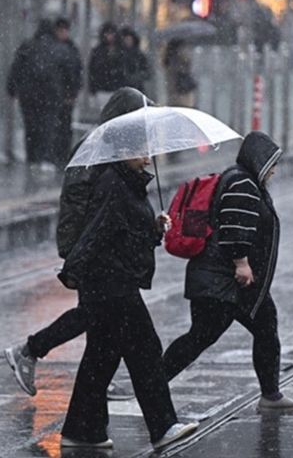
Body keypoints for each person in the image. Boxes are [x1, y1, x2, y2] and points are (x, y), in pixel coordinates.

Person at [4, 87, 155, 400]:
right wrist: (76, 251)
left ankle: (88, 378)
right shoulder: (98, 150)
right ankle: (30, 350)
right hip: (94, 250)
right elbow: (82, 204)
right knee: (98, 315)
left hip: (99, 249)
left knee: (100, 318)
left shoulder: (111, 148)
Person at [54, 124, 197, 450]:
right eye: (143, 150)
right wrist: (72, 270)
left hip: (112, 282)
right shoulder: (114, 185)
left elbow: (126, 233)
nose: (148, 158)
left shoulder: (128, 183)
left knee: (101, 357)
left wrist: (154, 227)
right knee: (145, 352)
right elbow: (98, 231)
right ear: (125, 152)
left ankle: (81, 430)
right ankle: (163, 426)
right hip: (111, 284)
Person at [161, 131, 293, 412]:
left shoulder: (243, 180)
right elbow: (235, 226)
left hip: (230, 282)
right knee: (202, 336)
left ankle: (271, 395)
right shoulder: (242, 183)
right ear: (259, 160)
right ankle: (152, 384)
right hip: (225, 281)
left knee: (261, 328)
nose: (274, 170)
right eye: (271, 163)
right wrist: (241, 262)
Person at [7, 19, 68, 173]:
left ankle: (32, 158)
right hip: (50, 95)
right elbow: (69, 71)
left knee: (31, 127)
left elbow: (16, 69)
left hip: (28, 95)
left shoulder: (27, 46)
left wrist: (12, 89)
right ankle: (45, 158)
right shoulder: (58, 48)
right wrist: (68, 91)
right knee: (47, 127)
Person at [54, 17, 84, 170]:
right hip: (57, 95)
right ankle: (59, 155)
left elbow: (76, 72)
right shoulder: (66, 49)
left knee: (65, 125)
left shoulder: (70, 49)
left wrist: (72, 92)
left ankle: (63, 154)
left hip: (64, 95)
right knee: (59, 125)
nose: (63, 33)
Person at [87, 22, 125, 107]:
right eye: (107, 33)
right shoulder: (98, 52)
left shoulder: (121, 51)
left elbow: (124, 70)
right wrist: (93, 90)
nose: (110, 36)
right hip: (102, 89)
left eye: (112, 33)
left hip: (117, 88)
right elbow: (92, 71)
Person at [163, 38, 197, 108]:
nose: (187, 51)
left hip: (177, 98)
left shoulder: (172, 61)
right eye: (184, 48)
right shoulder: (178, 62)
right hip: (181, 97)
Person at [119, 26, 151, 93]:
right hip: (122, 89)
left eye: (129, 39)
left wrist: (135, 77)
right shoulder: (119, 54)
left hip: (137, 89)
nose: (127, 41)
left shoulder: (139, 55)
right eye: (125, 39)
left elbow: (147, 72)